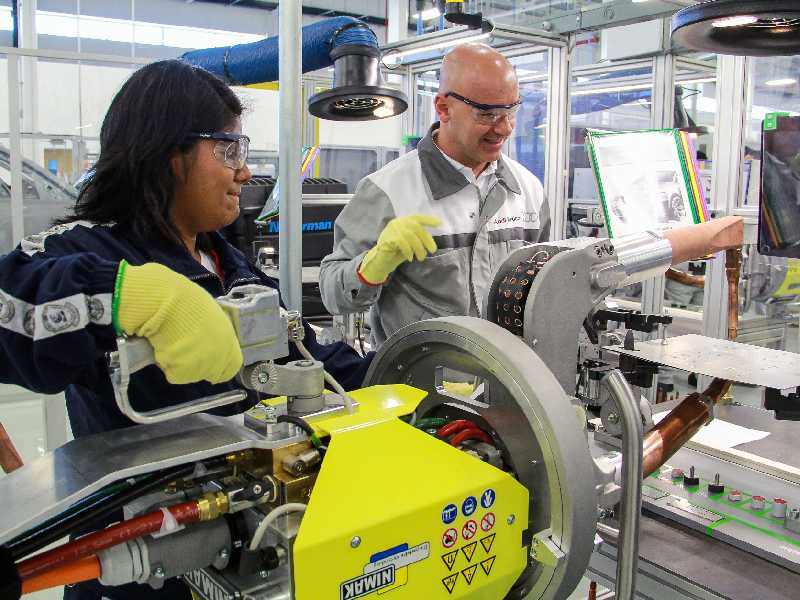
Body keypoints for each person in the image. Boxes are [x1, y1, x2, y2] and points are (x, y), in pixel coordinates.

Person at [0, 59, 371, 600]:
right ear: (169, 154)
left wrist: (400, 372)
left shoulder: (230, 263)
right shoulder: (87, 248)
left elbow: (304, 355)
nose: (245, 172)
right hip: (137, 557)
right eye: (229, 151)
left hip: (251, 542)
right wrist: (125, 296)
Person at [319, 43, 550, 348]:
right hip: (420, 384)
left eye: (511, 111)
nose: (504, 128)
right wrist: (373, 265)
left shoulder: (529, 189)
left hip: (508, 381)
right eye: (487, 114)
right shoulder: (388, 190)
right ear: (443, 108)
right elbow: (332, 294)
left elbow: (545, 285)